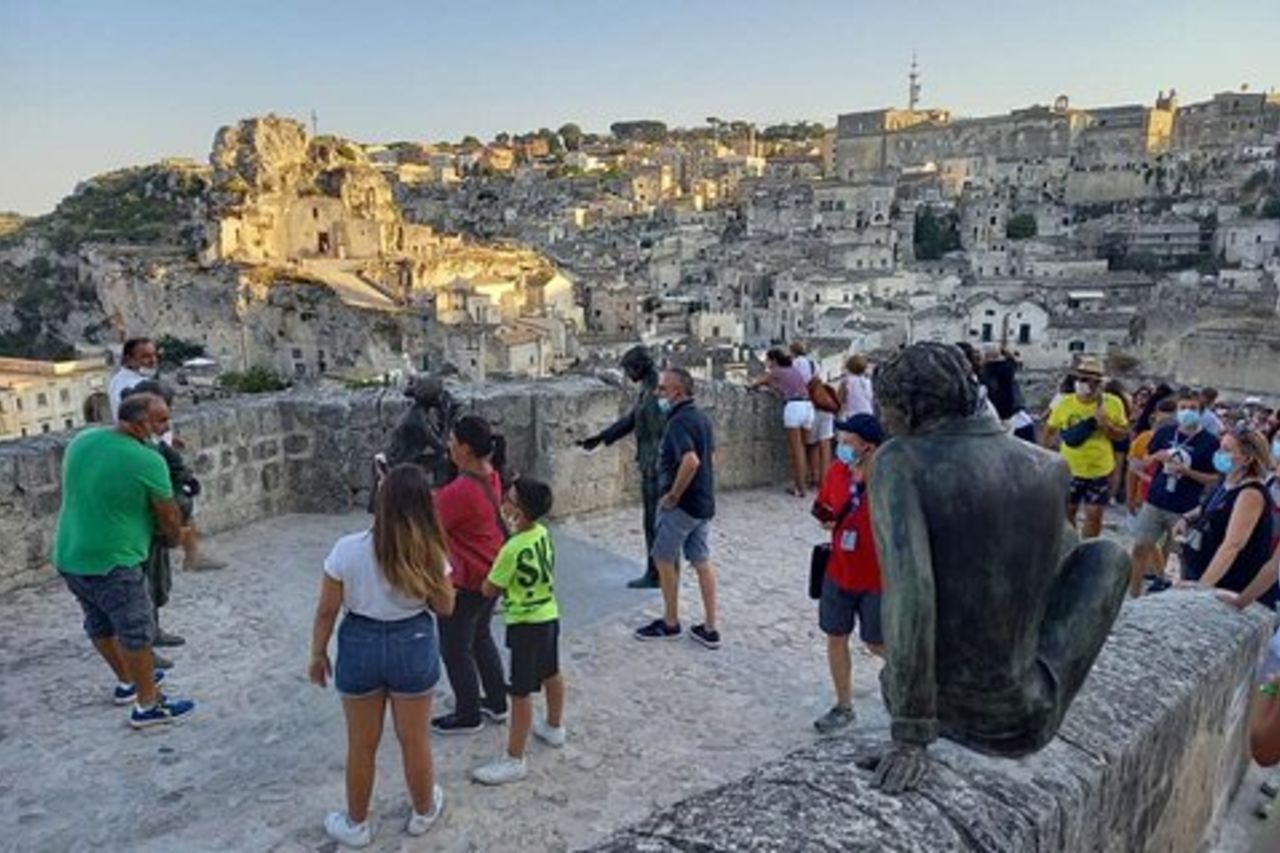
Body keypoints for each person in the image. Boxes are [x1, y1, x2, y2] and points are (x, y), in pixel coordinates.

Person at [309, 464, 455, 848]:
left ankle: (356, 823)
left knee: (361, 744)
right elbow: (445, 607)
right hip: (413, 639)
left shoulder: (347, 549)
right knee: (414, 739)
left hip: (360, 643)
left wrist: (318, 653)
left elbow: (326, 610)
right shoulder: (430, 551)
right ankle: (423, 811)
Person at [52, 392, 195, 728]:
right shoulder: (148, 460)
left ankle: (128, 682)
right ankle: (148, 706)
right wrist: (176, 538)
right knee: (136, 631)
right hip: (114, 559)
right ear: (137, 423)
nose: (166, 426)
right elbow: (168, 514)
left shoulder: (82, 441)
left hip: (70, 553)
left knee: (99, 622)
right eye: (160, 420)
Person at [473, 477, 566, 785]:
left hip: (525, 624)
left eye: (509, 500)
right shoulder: (542, 533)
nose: (503, 503)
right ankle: (554, 726)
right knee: (552, 672)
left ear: (520, 511)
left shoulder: (511, 549)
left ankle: (515, 758)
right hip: (548, 613)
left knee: (520, 691)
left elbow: (489, 588)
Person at [430, 415, 510, 734]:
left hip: (467, 578)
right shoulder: (490, 475)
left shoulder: (460, 490)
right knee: (480, 637)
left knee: (454, 648)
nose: (448, 446)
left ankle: (467, 713)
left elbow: (431, 524)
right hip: (490, 572)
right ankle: (497, 701)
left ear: (464, 448)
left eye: (452, 441)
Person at [634, 367, 720, 649]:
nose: (658, 393)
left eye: (663, 389)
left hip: (683, 506)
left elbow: (691, 460)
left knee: (663, 557)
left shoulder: (677, 423)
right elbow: (710, 457)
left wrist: (674, 494)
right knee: (701, 561)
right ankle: (710, 626)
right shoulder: (701, 418)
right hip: (703, 503)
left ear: (678, 392)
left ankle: (670, 621)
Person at [810, 413, 885, 735]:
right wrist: (825, 518)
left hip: (878, 578)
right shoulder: (837, 472)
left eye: (847, 440)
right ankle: (844, 705)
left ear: (868, 446)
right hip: (839, 570)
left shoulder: (888, 480)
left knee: (878, 643)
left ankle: (919, 688)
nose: (841, 445)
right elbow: (823, 504)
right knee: (836, 636)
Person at [577, 345, 666, 589]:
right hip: (650, 463)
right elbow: (631, 420)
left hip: (657, 466)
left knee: (654, 521)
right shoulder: (647, 389)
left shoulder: (657, 392)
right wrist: (601, 438)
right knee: (652, 521)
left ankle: (657, 573)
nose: (626, 375)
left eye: (628, 370)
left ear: (639, 367)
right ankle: (656, 571)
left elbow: (664, 431)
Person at [1127, 390, 1220, 597]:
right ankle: (1134, 594)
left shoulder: (1210, 442)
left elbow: (1214, 478)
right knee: (1141, 546)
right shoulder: (1165, 433)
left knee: (1182, 556)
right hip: (1155, 500)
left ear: (1201, 412)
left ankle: (1180, 597)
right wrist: (1154, 459)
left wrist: (1186, 471)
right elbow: (1145, 461)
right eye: (1183, 408)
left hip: (1184, 507)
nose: (1187, 412)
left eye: (1192, 408)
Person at [1177, 429, 1275, 607]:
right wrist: (1186, 518)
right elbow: (1210, 507)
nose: (1219, 454)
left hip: (1227, 582)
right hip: (1201, 565)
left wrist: (1201, 588)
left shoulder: (1250, 493)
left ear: (1247, 459)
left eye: (1227, 450)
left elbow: (1232, 545)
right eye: (1220, 448)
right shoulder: (1229, 480)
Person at [1042, 358, 1129, 539]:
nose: (1085, 383)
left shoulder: (1112, 403)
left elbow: (1122, 435)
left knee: (1094, 517)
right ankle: (1070, 544)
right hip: (1070, 468)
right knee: (1067, 514)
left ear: (1099, 383)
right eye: (1081, 378)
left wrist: (1106, 425)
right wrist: (1043, 457)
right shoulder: (1064, 403)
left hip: (1099, 469)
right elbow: (1049, 430)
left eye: (1091, 380)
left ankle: (1087, 547)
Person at [752, 348, 812, 497]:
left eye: (768, 360)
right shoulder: (793, 370)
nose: (767, 363)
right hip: (808, 407)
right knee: (803, 448)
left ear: (773, 360)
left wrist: (761, 384)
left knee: (796, 451)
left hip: (794, 408)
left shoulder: (776, 371)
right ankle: (805, 483)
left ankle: (800, 488)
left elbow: (756, 383)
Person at [790, 341, 833, 487]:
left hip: (811, 406)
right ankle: (824, 480)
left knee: (811, 445)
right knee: (825, 445)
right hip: (824, 405)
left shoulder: (795, 363)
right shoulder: (814, 364)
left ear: (792, 352)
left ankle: (813, 476)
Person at [108, 337, 159, 422]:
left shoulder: (117, 379)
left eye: (154, 355)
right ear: (129, 359)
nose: (153, 360)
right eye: (146, 356)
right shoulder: (135, 384)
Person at [837, 354, 874, 419]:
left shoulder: (846, 381)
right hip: (869, 413)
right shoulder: (868, 381)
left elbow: (839, 400)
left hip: (854, 415)